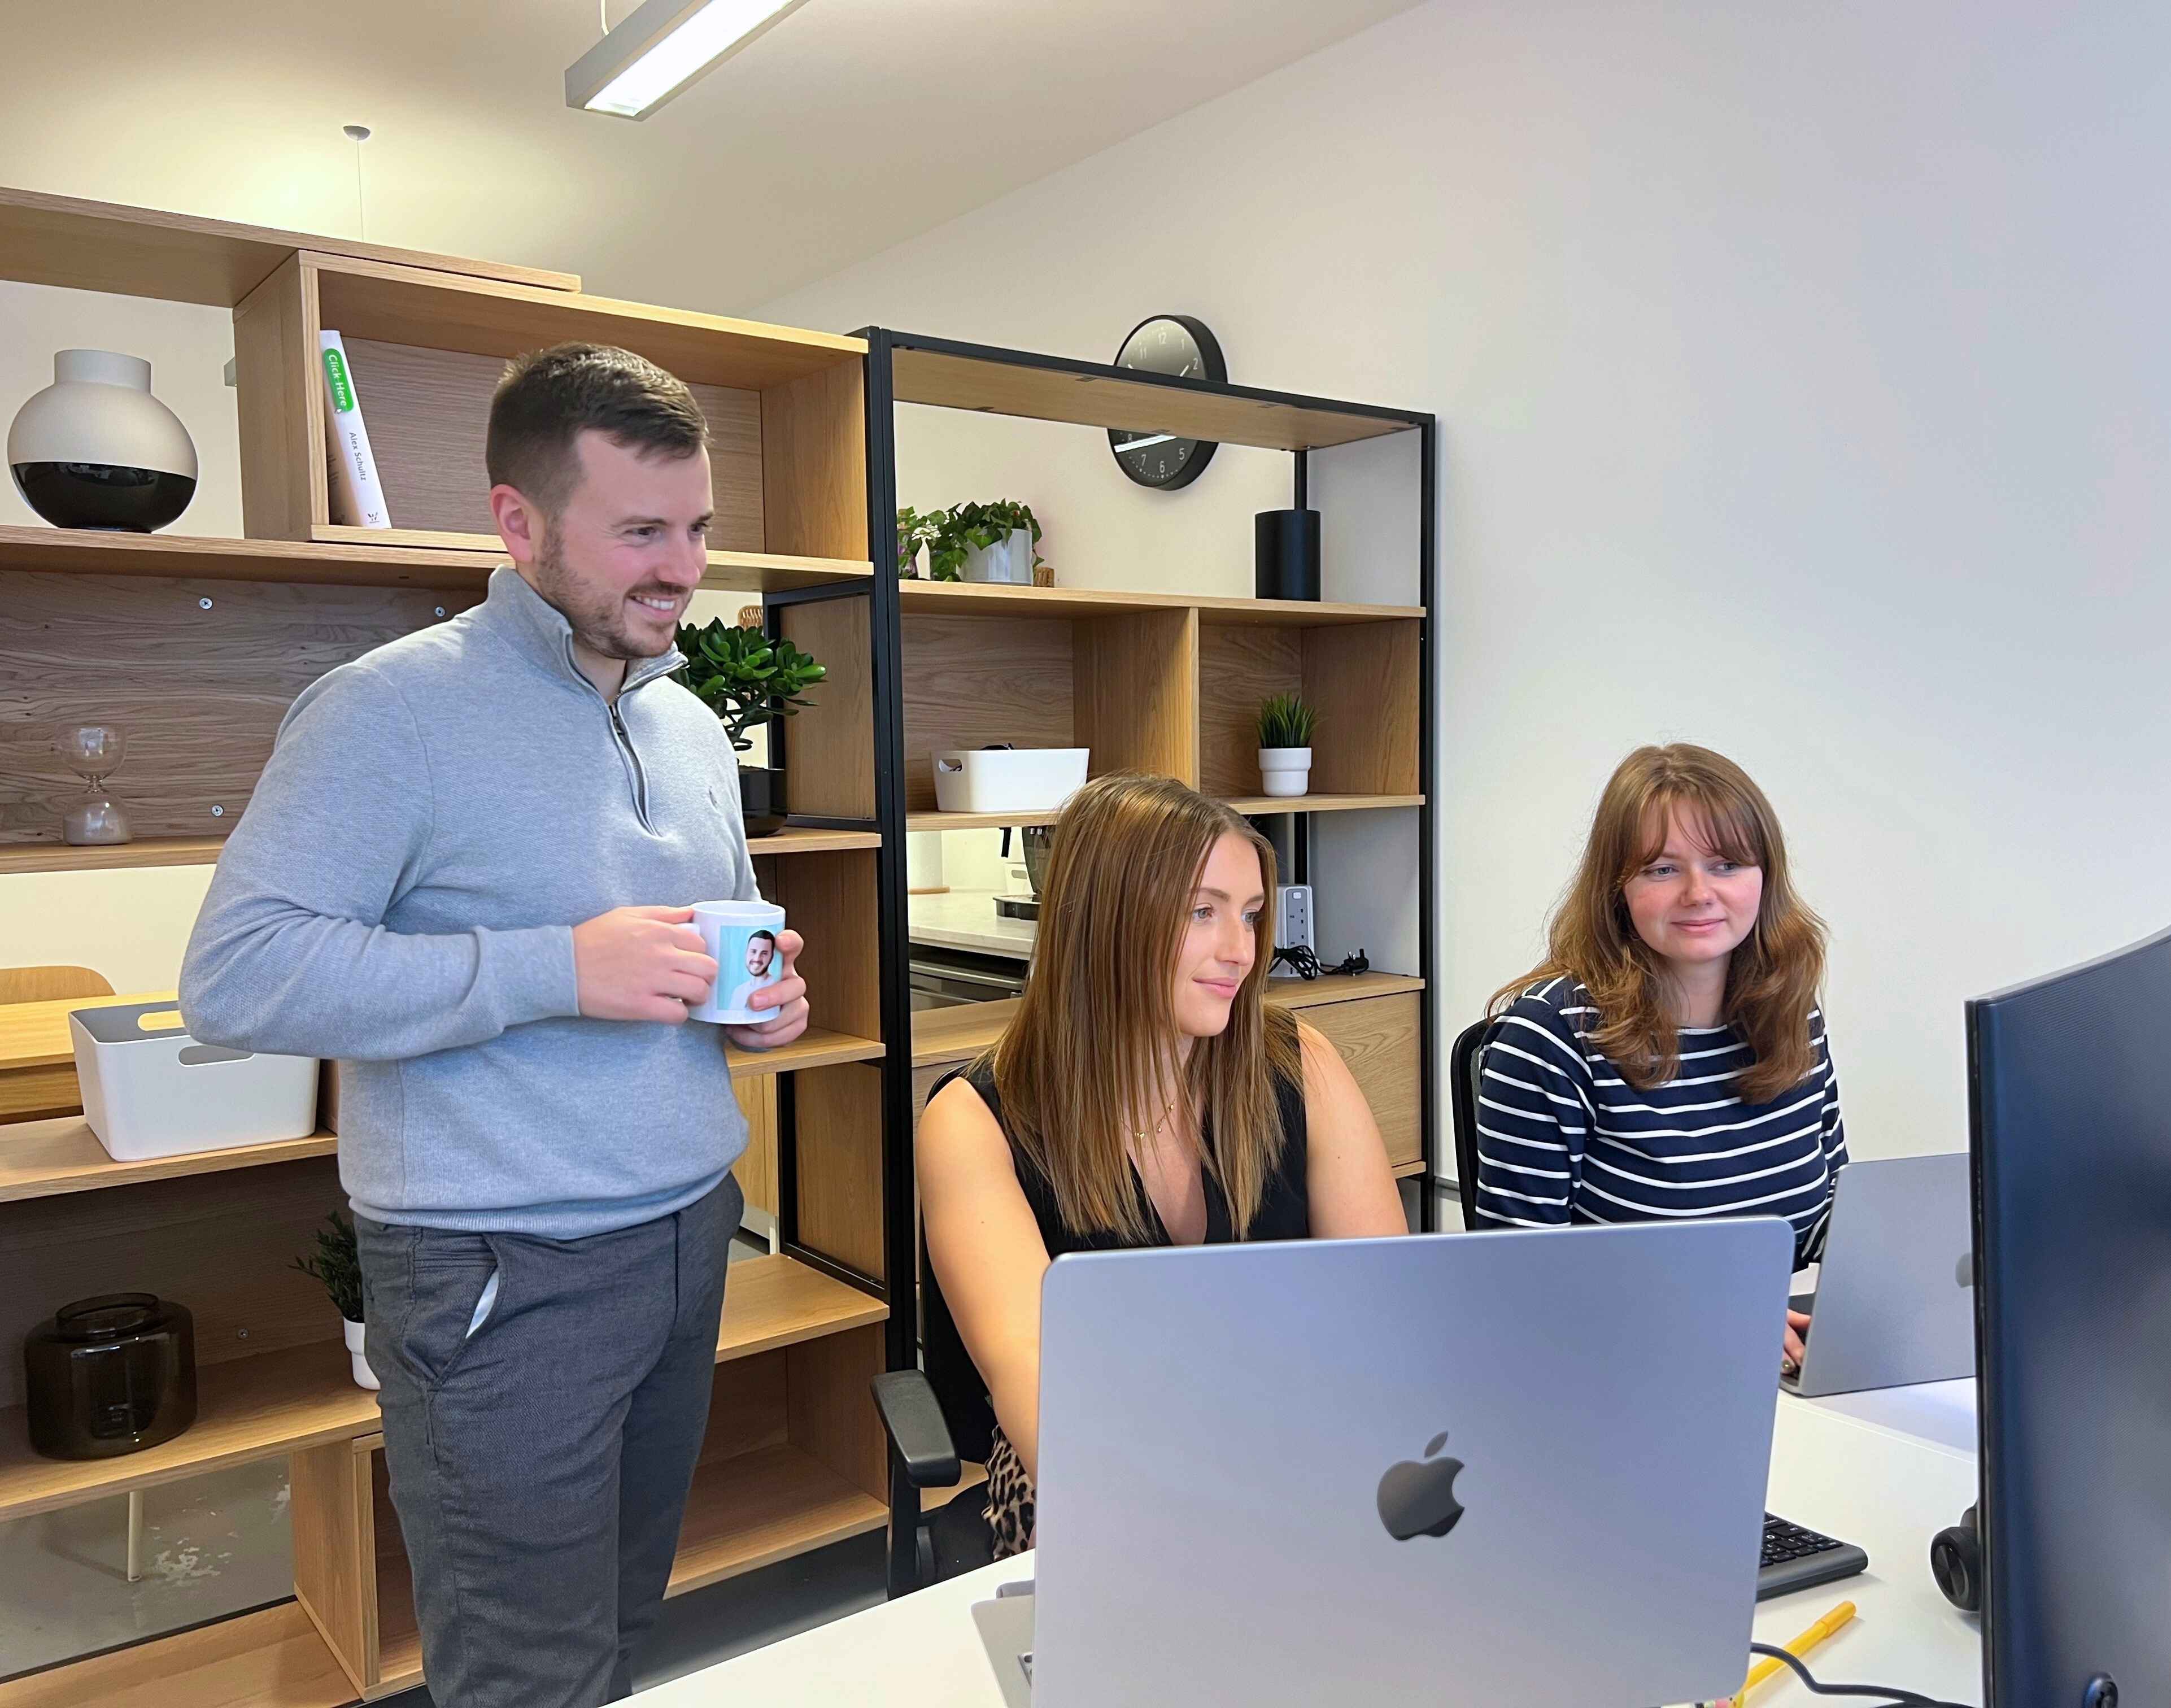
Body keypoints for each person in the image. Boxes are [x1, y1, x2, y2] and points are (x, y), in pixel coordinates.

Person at [178, 343, 810, 1708]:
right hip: (497, 1272)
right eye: (640, 531)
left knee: (625, 1633)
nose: (684, 568)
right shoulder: (388, 712)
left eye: (697, 528)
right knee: (526, 1679)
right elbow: (238, 977)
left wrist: (755, 1006)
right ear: (517, 524)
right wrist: (553, 970)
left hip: (692, 1231)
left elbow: (709, 938)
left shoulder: (693, 723)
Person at [918, 773, 1409, 1558]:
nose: (1241, 951)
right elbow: (1039, 1391)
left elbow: (1386, 1309)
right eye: (1202, 912)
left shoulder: (1297, 1061)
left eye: (1250, 915)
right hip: (1098, 1491)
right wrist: (1238, 1522)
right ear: (1107, 921)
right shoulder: (975, 1123)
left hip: (1295, 1453)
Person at [1473, 743, 1845, 1370]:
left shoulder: (1791, 1012)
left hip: (1777, 1362)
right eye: (1663, 870)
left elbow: (1828, 1215)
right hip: (1622, 1370)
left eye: (1726, 864)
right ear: (1617, 889)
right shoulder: (1548, 1038)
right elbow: (1515, 1288)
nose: (1700, 893)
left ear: (1765, 878)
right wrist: (1711, 1312)